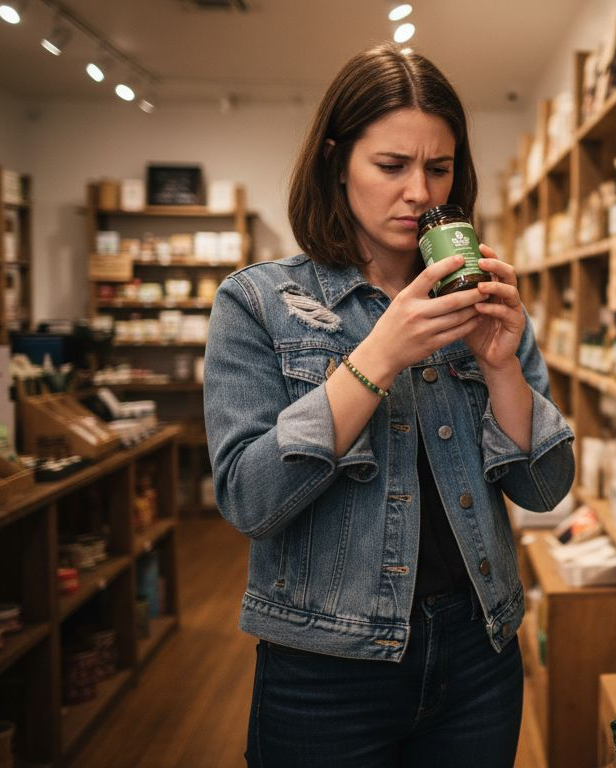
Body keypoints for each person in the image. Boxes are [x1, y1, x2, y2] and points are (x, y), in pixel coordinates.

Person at [204, 43, 575, 767]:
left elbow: (544, 488)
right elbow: (248, 499)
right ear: (336, 161)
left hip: (478, 649)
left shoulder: (478, 296)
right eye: (392, 166)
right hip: (324, 665)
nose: (419, 193)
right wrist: (378, 355)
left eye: (439, 168)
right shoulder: (258, 302)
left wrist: (502, 368)